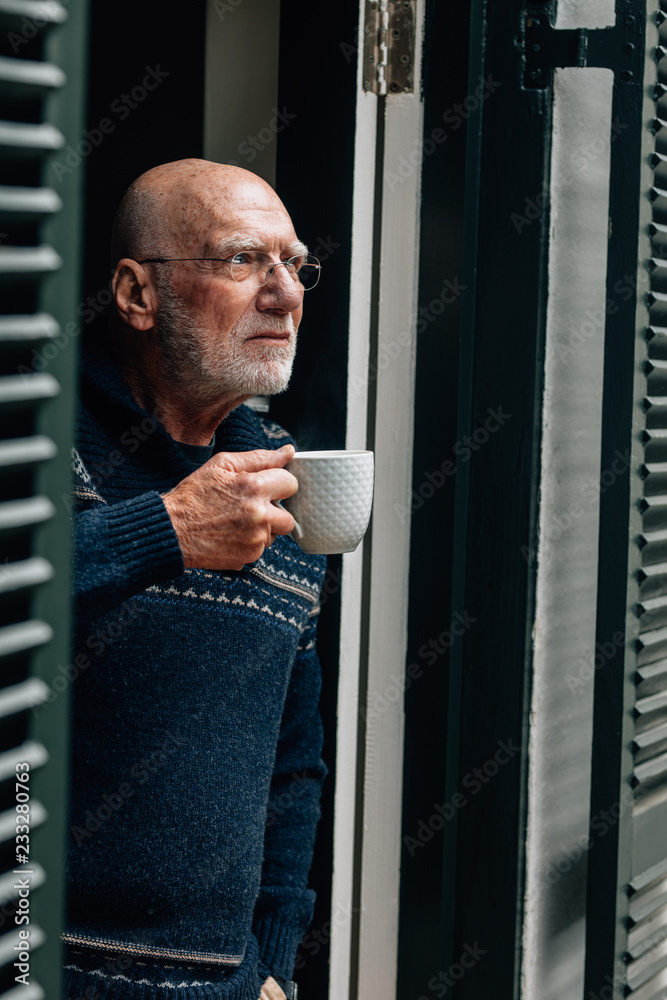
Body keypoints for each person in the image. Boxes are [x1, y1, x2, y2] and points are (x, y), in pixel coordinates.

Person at [62, 159, 327, 1000]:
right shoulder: (32, 433)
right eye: (245, 259)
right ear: (137, 295)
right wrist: (162, 531)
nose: (284, 294)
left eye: (295, 265)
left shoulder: (278, 482)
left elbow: (293, 763)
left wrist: (276, 964)